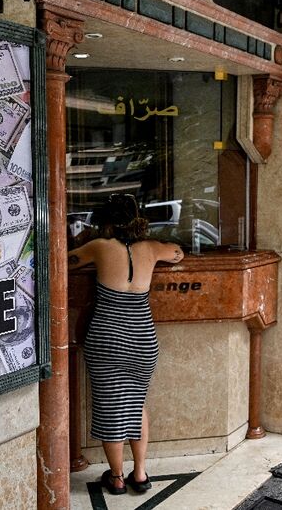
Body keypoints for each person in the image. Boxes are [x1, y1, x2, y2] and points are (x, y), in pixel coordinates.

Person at [68, 194, 183, 495]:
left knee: (111, 408)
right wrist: (157, 247)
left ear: (107, 222)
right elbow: (177, 253)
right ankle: (141, 474)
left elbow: (66, 260)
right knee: (136, 405)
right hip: (142, 341)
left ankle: (117, 477)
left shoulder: (100, 247)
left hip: (107, 339)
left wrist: (84, 240)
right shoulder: (152, 248)